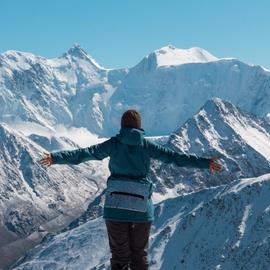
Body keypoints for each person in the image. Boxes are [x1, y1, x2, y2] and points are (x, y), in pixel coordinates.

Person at [40, 109, 222, 270]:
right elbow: (175, 158)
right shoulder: (147, 145)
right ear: (139, 126)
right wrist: (206, 163)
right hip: (141, 209)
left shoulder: (114, 143)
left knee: (119, 259)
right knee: (139, 258)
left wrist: (55, 157)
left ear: (122, 126)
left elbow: (84, 154)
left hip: (115, 207)